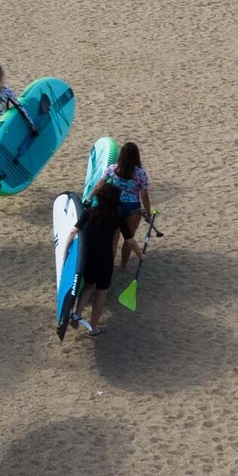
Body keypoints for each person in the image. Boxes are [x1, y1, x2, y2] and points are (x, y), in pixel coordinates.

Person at [90, 141, 155, 271]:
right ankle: (124, 265)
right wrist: (148, 212)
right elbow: (144, 195)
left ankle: (110, 266)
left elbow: (99, 185)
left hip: (115, 207)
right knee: (129, 238)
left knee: (114, 239)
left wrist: (89, 198)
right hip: (133, 209)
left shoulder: (112, 169)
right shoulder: (141, 173)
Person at [73, 188, 122, 334]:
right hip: (105, 259)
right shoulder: (117, 217)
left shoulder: (89, 213)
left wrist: (65, 252)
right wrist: (141, 256)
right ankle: (93, 327)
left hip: (89, 257)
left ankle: (77, 315)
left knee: (88, 286)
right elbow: (130, 240)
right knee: (101, 292)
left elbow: (73, 231)